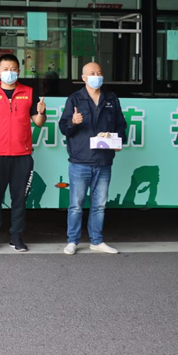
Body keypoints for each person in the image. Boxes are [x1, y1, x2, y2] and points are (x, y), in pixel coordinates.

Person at [0, 53, 46, 252]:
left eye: (13, 69)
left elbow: (38, 122)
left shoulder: (29, 93)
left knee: (19, 200)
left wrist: (41, 112)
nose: (10, 72)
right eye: (6, 69)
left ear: (19, 71)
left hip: (22, 156)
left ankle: (16, 236)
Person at [59, 62, 127, 254]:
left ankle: (96, 240)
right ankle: (72, 241)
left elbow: (121, 124)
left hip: (104, 160)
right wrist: (73, 122)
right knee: (76, 205)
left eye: (99, 73)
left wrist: (118, 140)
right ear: (84, 78)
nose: (96, 76)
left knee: (100, 205)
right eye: (92, 73)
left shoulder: (111, 99)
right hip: (80, 161)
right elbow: (63, 127)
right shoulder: (75, 99)